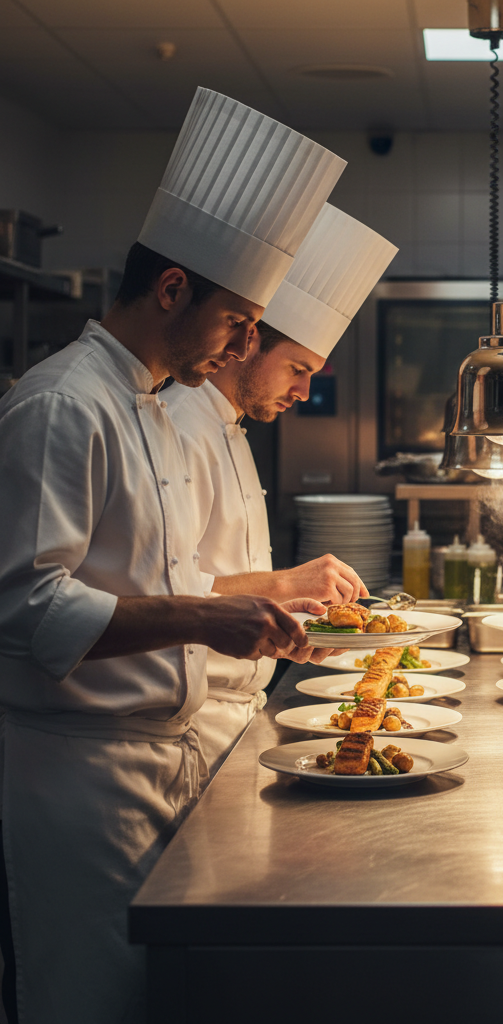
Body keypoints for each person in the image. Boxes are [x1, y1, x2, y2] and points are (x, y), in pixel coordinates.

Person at [0, 87, 345, 1023]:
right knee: (91, 1000)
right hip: (84, 778)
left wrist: (237, 611)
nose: (243, 345)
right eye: (239, 322)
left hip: (163, 762)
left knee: (155, 999)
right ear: (172, 289)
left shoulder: (146, 403)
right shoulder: (63, 403)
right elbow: (26, 610)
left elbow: (155, 582)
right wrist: (208, 617)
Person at [167, 203, 398, 780]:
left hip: (237, 715)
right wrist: (284, 585)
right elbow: (162, 595)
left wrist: (290, 627)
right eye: (297, 367)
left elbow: (219, 593)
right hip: (192, 722)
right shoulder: (177, 426)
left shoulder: (232, 428)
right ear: (247, 343)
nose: (304, 390)